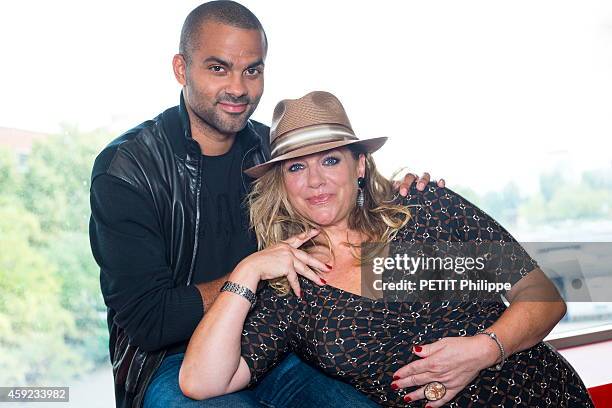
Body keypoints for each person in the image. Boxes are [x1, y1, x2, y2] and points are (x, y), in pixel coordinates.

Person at [89, 2, 443, 408]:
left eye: (252, 70)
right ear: (182, 69)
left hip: (280, 342)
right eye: (218, 68)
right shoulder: (127, 169)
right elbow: (151, 322)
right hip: (172, 361)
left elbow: (338, 201)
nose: (238, 88)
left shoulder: (276, 153)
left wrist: (396, 196)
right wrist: (250, 275)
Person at [179, 91, 594, 407]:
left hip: (539, 393)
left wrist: (482, 350)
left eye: (330, 160)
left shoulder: (427, 208)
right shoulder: (292, 289)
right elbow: (200, 381)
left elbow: (545, 298)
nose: (315, 181)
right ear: (281, 183)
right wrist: (246, 272)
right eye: (296, 167)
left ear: (359, 166)